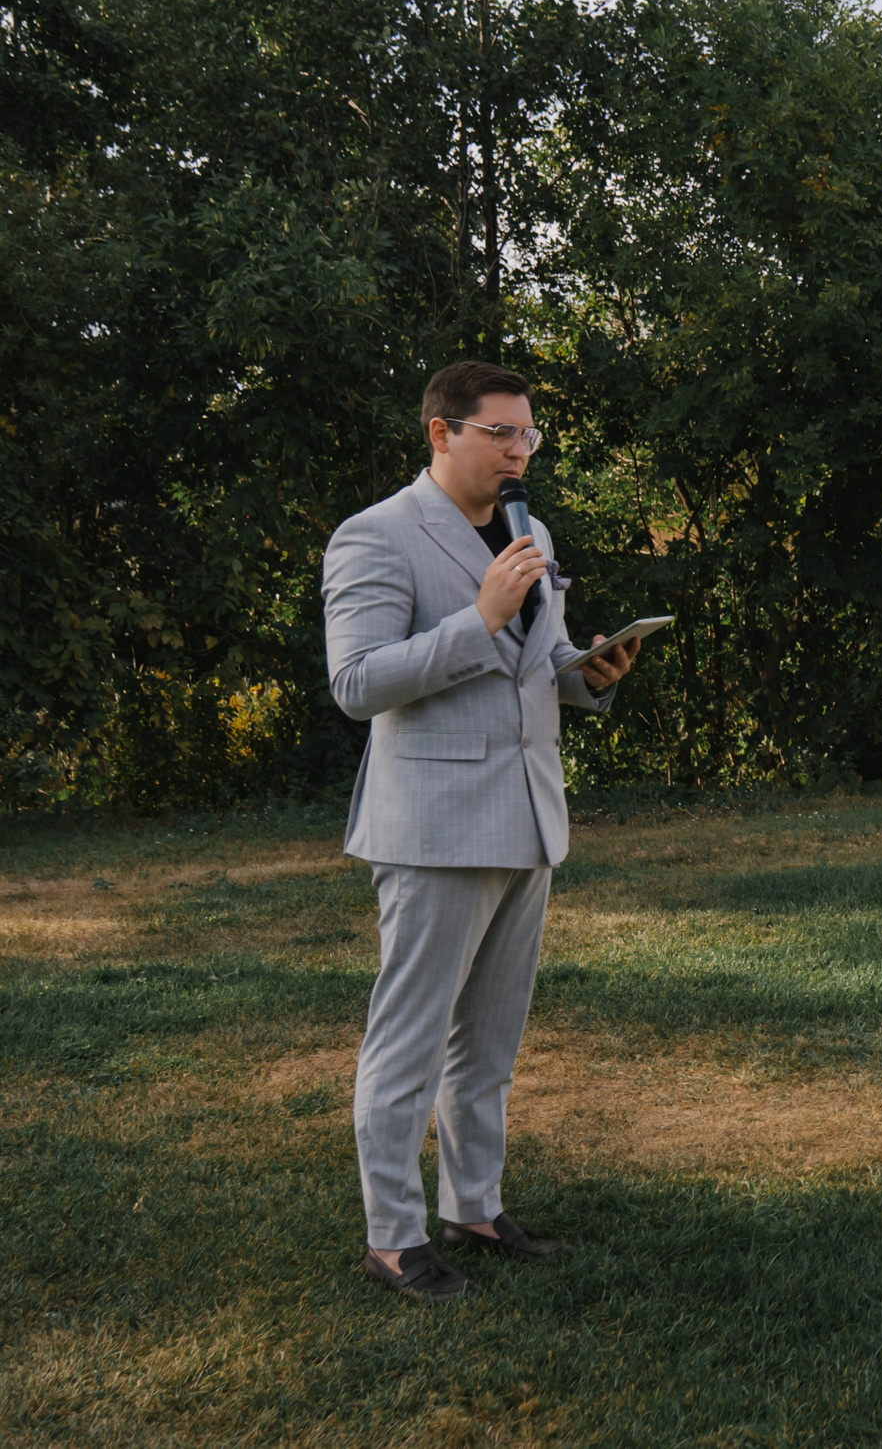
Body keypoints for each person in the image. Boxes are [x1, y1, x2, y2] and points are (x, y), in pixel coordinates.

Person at [323, 360, 646, 1302]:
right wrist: (478, 619)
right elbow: (357, 683)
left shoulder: (528, 529)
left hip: (528, 813)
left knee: (489, 1042)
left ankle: (473, 1205)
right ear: (441, 432)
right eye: (499, 432)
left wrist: (589, 673)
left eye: (526, 434)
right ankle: (393, 1238)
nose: (518, 451)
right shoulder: (377, 534)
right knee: (410, 1043)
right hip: (433, 826)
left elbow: (538, 659)